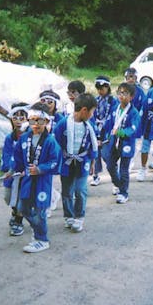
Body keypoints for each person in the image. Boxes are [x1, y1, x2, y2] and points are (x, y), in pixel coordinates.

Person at [12, 102, 62, 252]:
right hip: (27, 179)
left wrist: (40, 169)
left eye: (39, 121)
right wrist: (13, 169)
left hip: (42, 181)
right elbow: (18, 157)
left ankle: (42, 239)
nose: (35, 124)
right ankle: (38, 230)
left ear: (47, 121)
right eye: (32, 120)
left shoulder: (50, 141)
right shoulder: (24, 137)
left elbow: (55, 161)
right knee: (23, 207)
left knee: (40, 211)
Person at [54, 94, 98, 232]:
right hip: (67, 162)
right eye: (91, 112)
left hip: (82, 161)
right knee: (67, 191)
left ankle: (79, 217)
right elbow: (56, 143)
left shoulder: (89, 127)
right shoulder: (63, 124)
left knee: (80, 189)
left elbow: (93, 144)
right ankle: (69, 215)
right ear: (84, 110)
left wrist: (92, 161)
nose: (92, 115)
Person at [102, 83, 140, 203]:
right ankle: (118, 183)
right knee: (109, 164)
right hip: (113, 142)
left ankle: (124, 193)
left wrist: (122, 132)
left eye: (125, 93)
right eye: (119, 93)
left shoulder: (133, 112)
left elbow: (134, 128)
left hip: (126, 144)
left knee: (124, 168)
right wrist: (102, 136)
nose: (121, 96)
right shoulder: (115, 109)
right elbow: (108, 124)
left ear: (131, 97)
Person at [0, 102, 29, 236]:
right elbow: (6, 155)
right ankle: (14, 212)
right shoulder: (9, 138)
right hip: (11, 174)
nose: (18, 121)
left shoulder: (30, 137)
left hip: (25, 175)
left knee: (21, 200)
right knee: (8, 197)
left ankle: (18, 221)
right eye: (15, 117)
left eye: (22, 117)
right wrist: (7, 168)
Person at [90, 76, 119, 187]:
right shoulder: (95, 100)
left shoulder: (113, 101)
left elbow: (112, 118)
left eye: (102, 88)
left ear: (108, 87)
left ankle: (116, 181)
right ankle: (95, 175)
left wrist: (102, 135)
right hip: (96, 130)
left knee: (108, 156)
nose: (100, 91)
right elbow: (92, 116)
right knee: (95, 155)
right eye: (98, 88)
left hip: (108, 132)